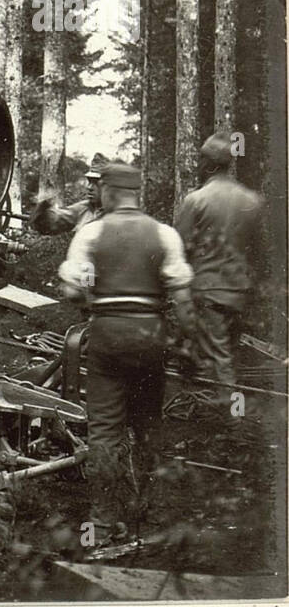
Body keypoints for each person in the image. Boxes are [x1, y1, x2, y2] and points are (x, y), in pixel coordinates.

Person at [59, 162, 195, 540]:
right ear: (136, 192)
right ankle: (150, 518)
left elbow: (73, 291)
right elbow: (183, 299)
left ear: (107, 191)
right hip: (151, 335)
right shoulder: (164, 234)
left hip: (107, 333)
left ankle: (101, 524)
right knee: (149, 425)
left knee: (103, 431)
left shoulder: (91, 233)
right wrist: (185, 345)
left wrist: (95, 291)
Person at [174, 132, 264, 389]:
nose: (200, 165)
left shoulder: (197, 200)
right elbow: (257, 250)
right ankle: (216, 405)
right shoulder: (252, 200)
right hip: (240, 291)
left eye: (202, 160)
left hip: (208, 292)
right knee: (229, 352)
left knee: (218, 358)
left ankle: (231, 421)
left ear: (210, 164)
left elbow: (179, 247)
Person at [31, 153, 108, 234]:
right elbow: (58, 218)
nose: (89, 187)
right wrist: (43, 211)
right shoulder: (85, 208)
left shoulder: (119, 213)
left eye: (96, 183)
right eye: (90, 182)